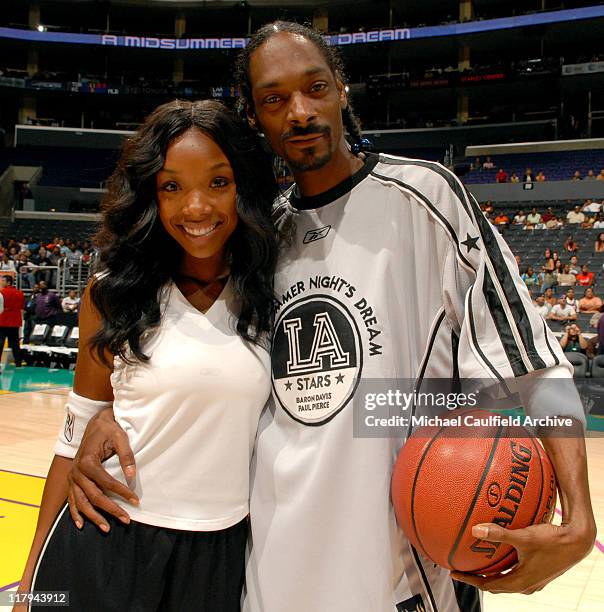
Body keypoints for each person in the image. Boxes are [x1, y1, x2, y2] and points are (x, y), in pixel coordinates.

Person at [62, 21, 595, 612]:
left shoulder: (426, 198)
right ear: (255, 117)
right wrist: (102, 414)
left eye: (314, 87)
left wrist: (577, 514)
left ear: (342, 88)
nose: (298, 111)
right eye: (274, 98)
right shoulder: (257, 236)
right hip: (266, 575)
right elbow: (175, 342)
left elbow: (532, 360)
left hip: (398, 578)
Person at [17, 100, 279, 610]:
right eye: (172, 186)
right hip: (107, 541)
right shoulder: (112, 293)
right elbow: (73, 440)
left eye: (218, 183)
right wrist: (31, 587)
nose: (196, 207)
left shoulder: (274, 296)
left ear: (244, 186)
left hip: (222, 552)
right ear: (150, 197)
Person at [0, 275, 24, 369]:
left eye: (3, 281)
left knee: (0, 342)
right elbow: (22, 307)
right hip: (15, 321)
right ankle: (18, 363)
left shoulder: (1, 293)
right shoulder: (20, 293)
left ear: (8, 282)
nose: (1, 282)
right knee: (15, 343)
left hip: (3, 321)